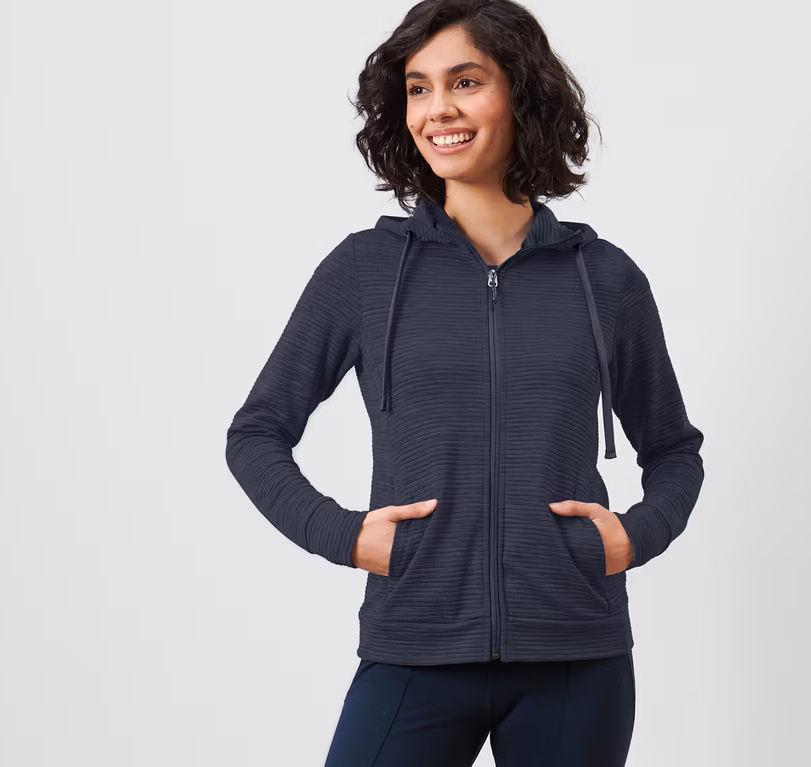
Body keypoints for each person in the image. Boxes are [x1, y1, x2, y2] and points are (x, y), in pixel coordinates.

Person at [225, 0, 705, 764]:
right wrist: (344, 534)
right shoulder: (365, 271)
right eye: (418, 88)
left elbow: (675, 449)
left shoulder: (604, 277)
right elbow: (256, 433)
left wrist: (632, 536)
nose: (437, 109)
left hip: (575, 654)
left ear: (522, 93)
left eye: (465, 82)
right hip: (415, 641)